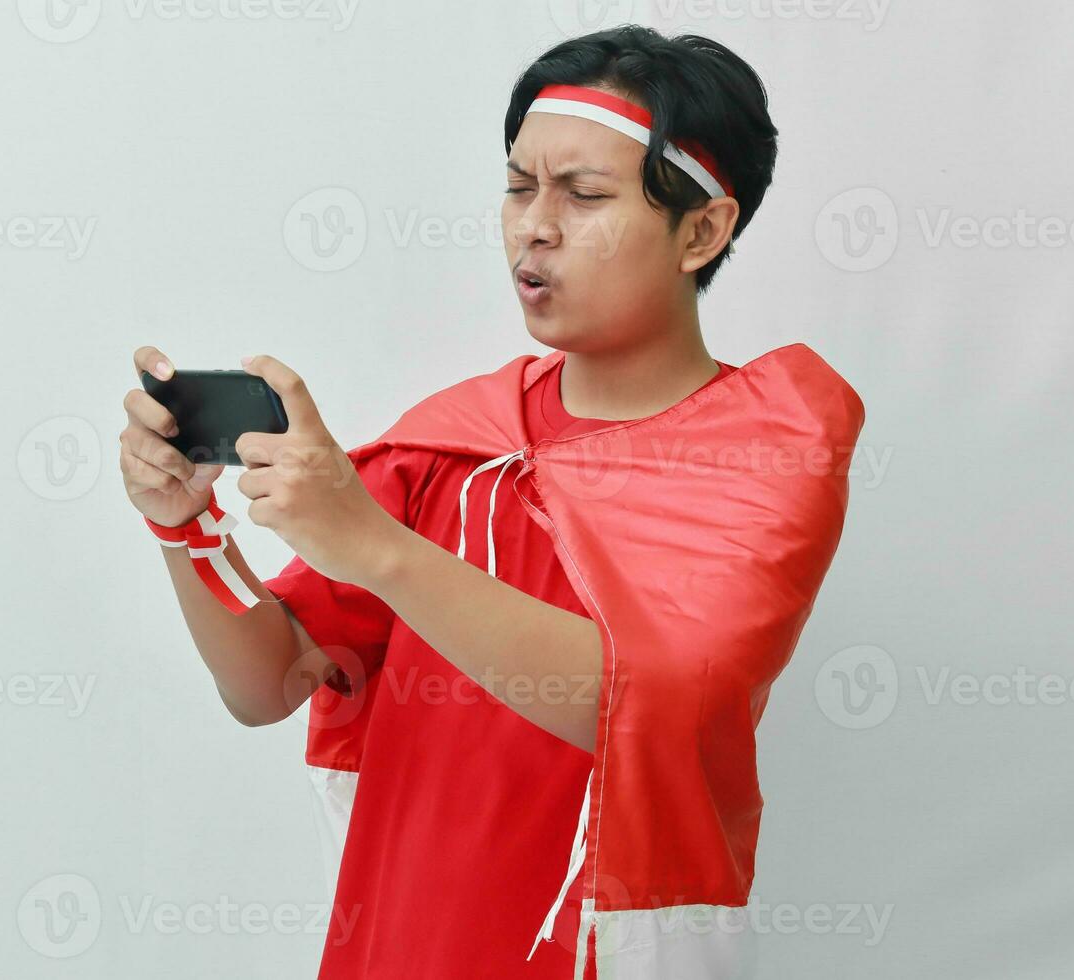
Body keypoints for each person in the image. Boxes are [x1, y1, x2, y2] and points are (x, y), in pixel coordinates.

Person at [119, 25, 864, 980]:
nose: (533, 226)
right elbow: (268, 683)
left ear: (702, 230)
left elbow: (655, 702)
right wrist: (187, 528)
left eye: (584, 195)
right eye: (518, 187)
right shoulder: (458, 441)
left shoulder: (768, 442)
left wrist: (374, 546)